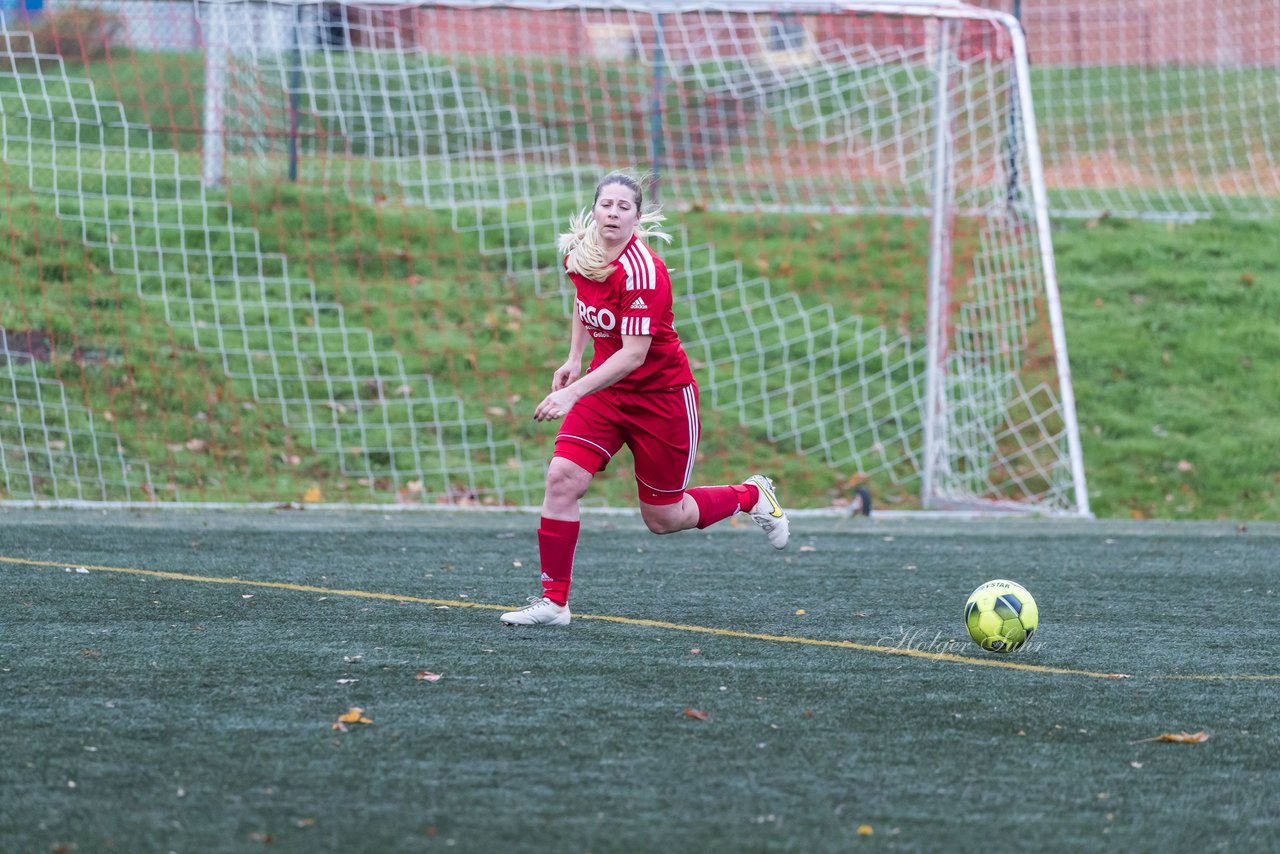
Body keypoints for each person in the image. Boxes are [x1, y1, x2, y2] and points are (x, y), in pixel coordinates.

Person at [501, 171, 790, 627]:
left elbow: (634, 355)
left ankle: (751, 495)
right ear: (594, 208)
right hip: (605, 390)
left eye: (624, 207)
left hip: (661, 400)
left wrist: (573, 393)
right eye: (606, 204)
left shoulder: (643, 272)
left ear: (638, 216)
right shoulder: (581, 252)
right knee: (561, 478)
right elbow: (583, 302)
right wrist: (574, 358)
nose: (613, 213)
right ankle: (553, 604)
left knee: (663, 518)